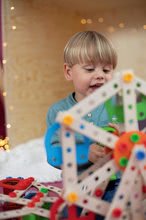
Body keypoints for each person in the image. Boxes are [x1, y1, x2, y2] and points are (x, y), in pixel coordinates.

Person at [46, 31, 120, 218]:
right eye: (89, 69)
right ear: (69, 72)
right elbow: (54, 154)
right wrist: (83, 154)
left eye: (106, 70)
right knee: (65, 214)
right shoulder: (58, 112)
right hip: (77, 184)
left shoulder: (118, 105)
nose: (100, 76)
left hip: (115, 183)